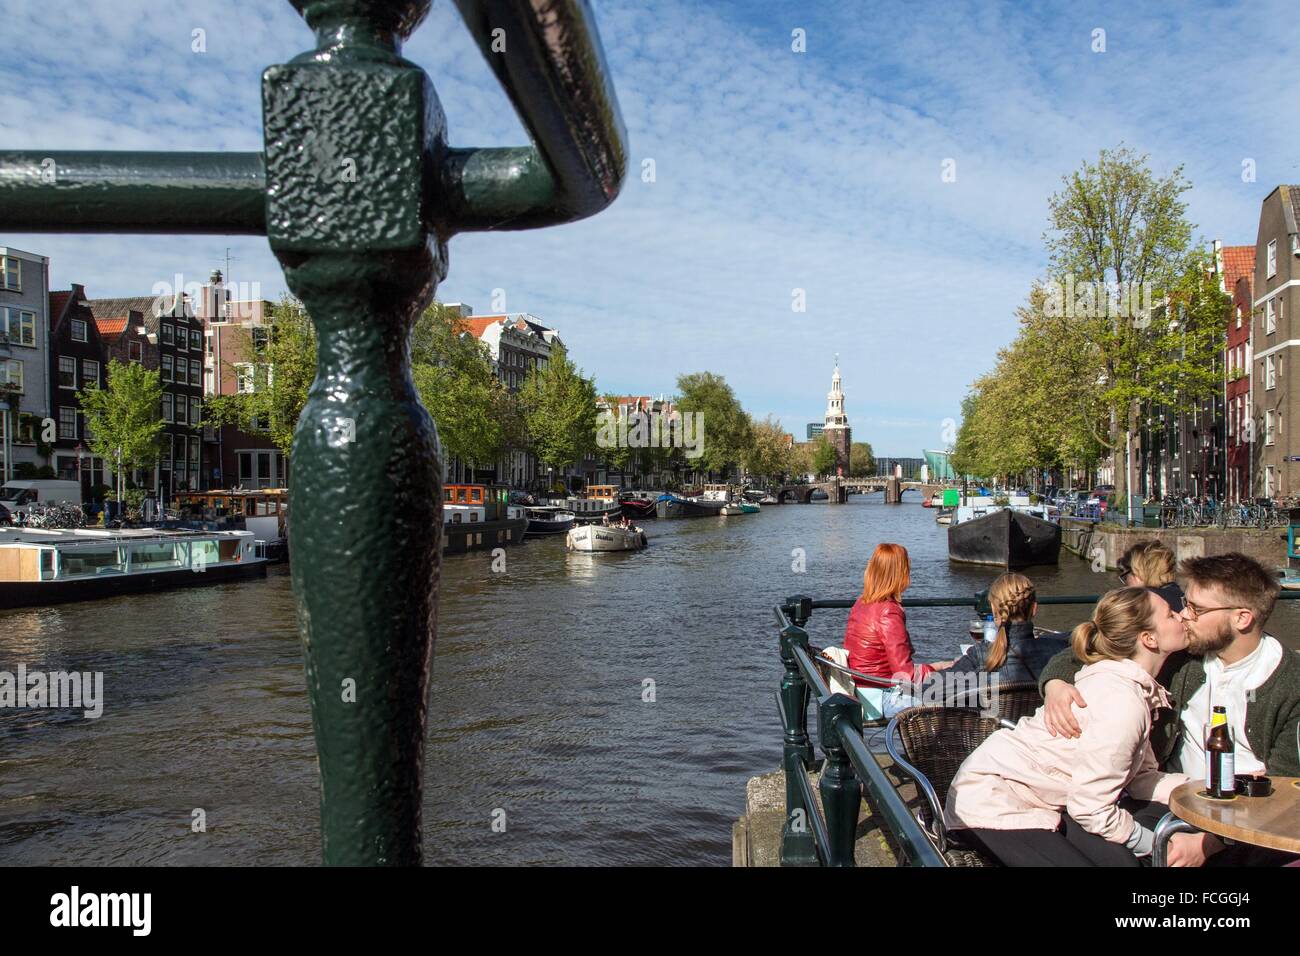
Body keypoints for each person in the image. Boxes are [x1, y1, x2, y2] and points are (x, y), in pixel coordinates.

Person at [1039, 552, 1300, 866]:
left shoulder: (1289, 683)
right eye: (1185, 603)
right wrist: (1055, 683)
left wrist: (1208, 844)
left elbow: (1286, 788)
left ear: (1242, 618)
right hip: (1170, 799)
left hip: (1249, 822)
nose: (1184, 615)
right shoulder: (1182, 653)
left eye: (1196, 608)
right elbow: (1084, 650)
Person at [943, 587, 1191, 866]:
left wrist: (1203, 791)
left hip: (1037, 796)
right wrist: (1157, 845)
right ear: (1148, 638)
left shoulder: (1129, 688)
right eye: (1171, 615)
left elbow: (1142, 778)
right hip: (991, 799)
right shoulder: (1124, 702)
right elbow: (1090, 808)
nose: (1182, 617)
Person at [844, 543, 952, 715]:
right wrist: (943, 667)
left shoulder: (861, 602)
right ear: (899, 574)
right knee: (964, 692)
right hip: (881, 698)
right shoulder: (888, 611)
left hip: (862, 690)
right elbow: (906, 676)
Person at [935, 571, 1067, 687]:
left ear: (994, 610)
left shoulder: (980, 656)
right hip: (1042, 715)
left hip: (992, 715)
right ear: (1034, 609)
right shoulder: (1059, 650)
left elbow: (930, 689)